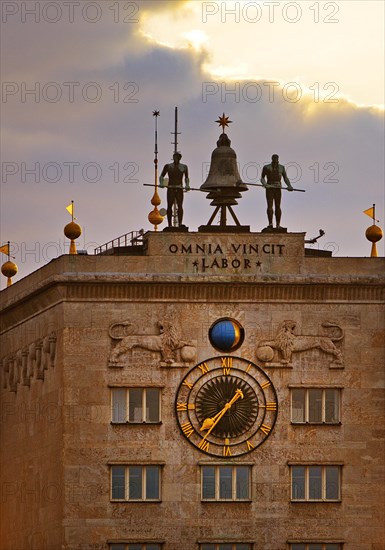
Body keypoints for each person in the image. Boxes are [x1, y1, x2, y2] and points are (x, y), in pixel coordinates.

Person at [261, 154, 293, 228]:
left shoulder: (282, 167)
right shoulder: (266, 167)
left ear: (278, 159)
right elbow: (262, 178)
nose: (275, 160)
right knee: (270, 206)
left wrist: (289, 186)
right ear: (272, 159)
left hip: (278, 188)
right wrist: (265, 184)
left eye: (276, 158)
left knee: (278, 206)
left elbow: (285, 178)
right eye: (274, 158)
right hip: (269, 188)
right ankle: (270, 224)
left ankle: (278, 224)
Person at [159, 152, 190, 227]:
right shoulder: (168, 166)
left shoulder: (184, 167)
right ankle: (169, 224)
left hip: (179, 188)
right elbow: (161, 176)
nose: (176, 158)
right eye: (175, 157)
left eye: (178, 157)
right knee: (169, 206)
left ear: (180, 158)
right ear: (173, 157)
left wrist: (187, 185)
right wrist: (161, 183)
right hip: (171, 188)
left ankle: (180, 224)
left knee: (180, 205)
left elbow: (186, 178)